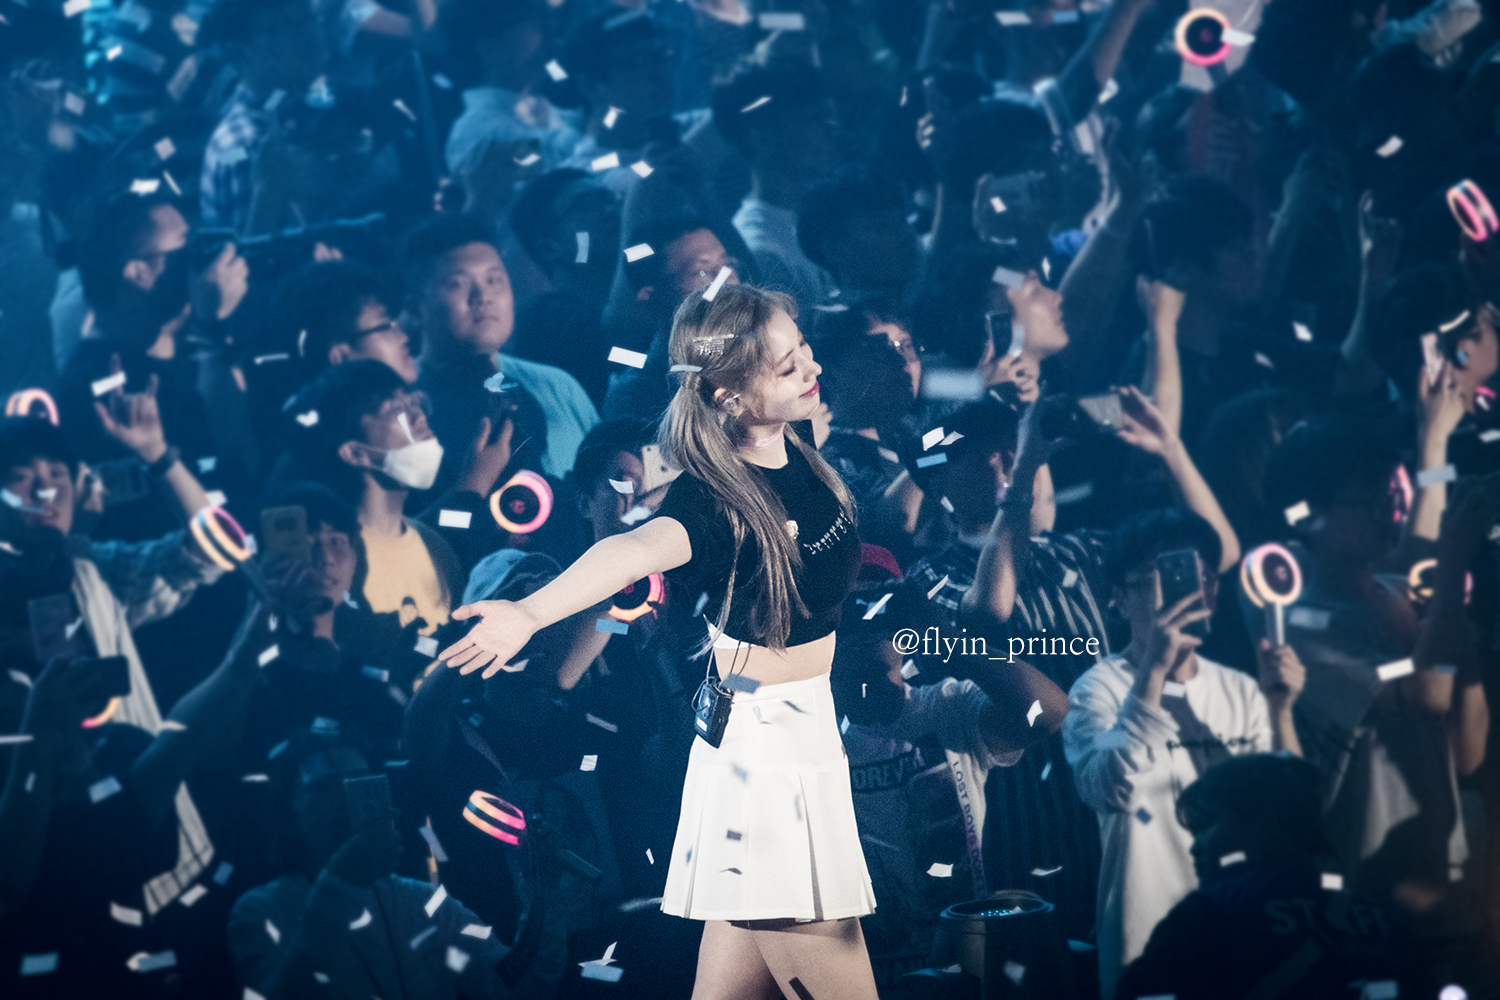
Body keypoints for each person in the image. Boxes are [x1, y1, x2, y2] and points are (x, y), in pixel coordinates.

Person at [439, 284, 882, 999]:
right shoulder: (711, 500)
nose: (812, 368)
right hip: (766, 759)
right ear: (730, 396)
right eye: (787, 365)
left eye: (803, 348)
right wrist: (529, 614)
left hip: (800, 737)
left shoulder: (793, 446)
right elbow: (634, 549)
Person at [1064, 506, 1305, 1000]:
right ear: (1118, 598)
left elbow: (1292, 818)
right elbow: (1110, 785)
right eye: (1164, 576)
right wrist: (1154, 669)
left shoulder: (1239, 690)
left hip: (1247, 944)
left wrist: (1281, 712)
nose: (1185, 593)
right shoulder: (1095, 692)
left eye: (1197, 577)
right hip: (1146, 953)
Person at [1260, 417, 1489, 935]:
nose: (1392, 511)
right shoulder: (1304, 627)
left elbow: (1468, 754)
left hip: (1451, 879)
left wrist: (1456, 628)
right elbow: (1426, 693)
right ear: (1309, 517)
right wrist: (1453, 564)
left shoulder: (1403, 596)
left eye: (1391, 494)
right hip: (1370, 899)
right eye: (1369, 500)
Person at [829, 576, 1067, 983]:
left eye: (877, 608)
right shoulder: (809, 730)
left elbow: (1050, 711)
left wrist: (953, 644)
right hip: (856, 968)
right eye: (847, 613)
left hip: (960, 959)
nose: (863, 628)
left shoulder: (946, 708)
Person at [228, 729, 564, 999]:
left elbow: (519, 987)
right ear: (287, 811)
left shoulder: (423, 903)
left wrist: (543, 890)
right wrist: (341, 882)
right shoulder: (260, 910)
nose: (345, 799)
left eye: (360, 783)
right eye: (324, 787)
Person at [1114, 753, 1422, 1000]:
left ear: (1261, 822)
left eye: (1206, 826)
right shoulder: (1381, 917)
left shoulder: (1208, 913)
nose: (1195, 847)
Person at [403, 214, 600, 489]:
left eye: (494, 280)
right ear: (416, 308)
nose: (483, 296)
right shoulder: (400, 410)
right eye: (457, 284)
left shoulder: (558, 387)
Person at [713, 59, 839, 319]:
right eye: (815, 118)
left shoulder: (819, 216)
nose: (831, 128)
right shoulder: (761, 252)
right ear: (763, 139)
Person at [197, 0, 327, 235]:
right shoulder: (243, 145)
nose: (306, 32)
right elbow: (257, 255)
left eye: (307, 16)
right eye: (283, 24)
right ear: (240, 52)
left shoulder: (289, 107)